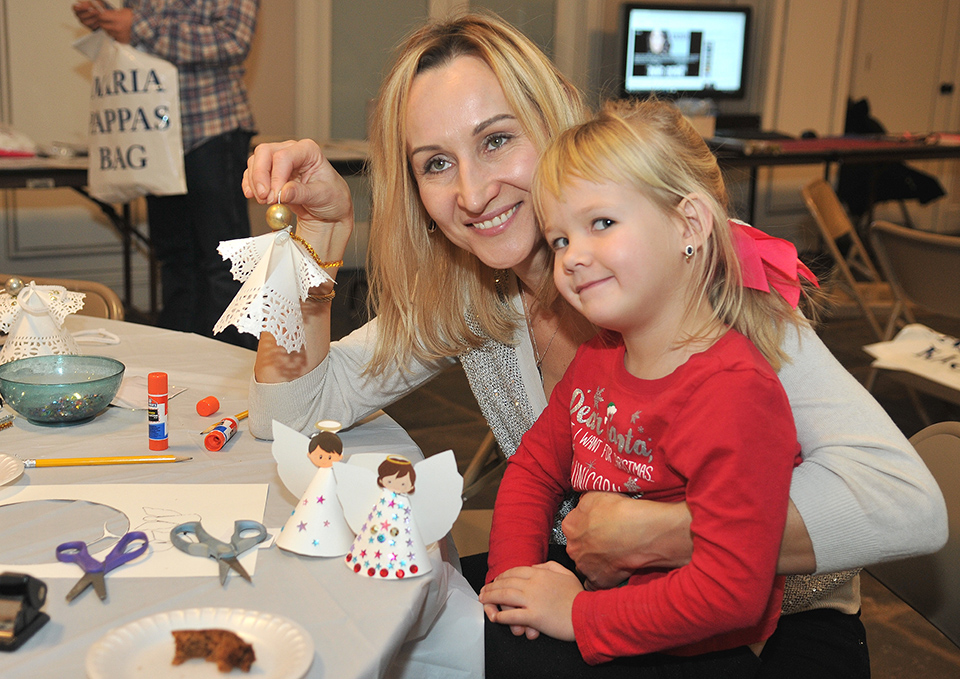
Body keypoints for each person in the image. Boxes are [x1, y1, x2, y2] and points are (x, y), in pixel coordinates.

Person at [241, 12, 947, 678]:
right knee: (379, 617)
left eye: (496, 140)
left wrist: (667, 530)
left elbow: (907, 503)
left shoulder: (689, 269)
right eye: (436, 163)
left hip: (776, 626)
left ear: (558, 120)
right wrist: (318, 237)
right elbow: (291, 411)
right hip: (597, 585)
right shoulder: (476, 292)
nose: (474, 192)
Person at [477, 98, 818, 675]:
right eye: (559, 240)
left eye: (601, 224)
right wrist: (515, 576)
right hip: (604, 611)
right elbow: (534, 470)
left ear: (689, 225)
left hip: (700, 649)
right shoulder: (598, 359)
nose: (572, 258)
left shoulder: (734, 392)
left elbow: (731, 591)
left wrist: (578, 614)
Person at [72, 0, 259, 348]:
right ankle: (178, 360)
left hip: (211, 129)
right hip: (155, 137)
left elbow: (233, 40)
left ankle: (237, 362)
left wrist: (139, 27)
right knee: (174, 261)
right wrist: (108, 21)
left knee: (225, 262)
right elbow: (139, 38)